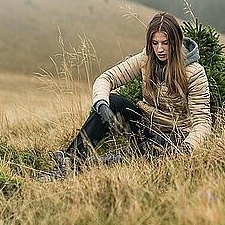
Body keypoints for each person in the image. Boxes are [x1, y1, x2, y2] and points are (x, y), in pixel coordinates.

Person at [39, 12, 211, 181]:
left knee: (153, 148)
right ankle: (70, 163)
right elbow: (106, 78)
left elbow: (202, 123)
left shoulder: (194, 73)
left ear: (176, 41)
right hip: (145, 127)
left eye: (165, 43)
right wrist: (102, 106)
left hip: (175, 136)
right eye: (155, 43)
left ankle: (102, 163)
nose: (159, 49)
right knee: (112, 100)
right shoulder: (146, 58)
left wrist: (187, 148)